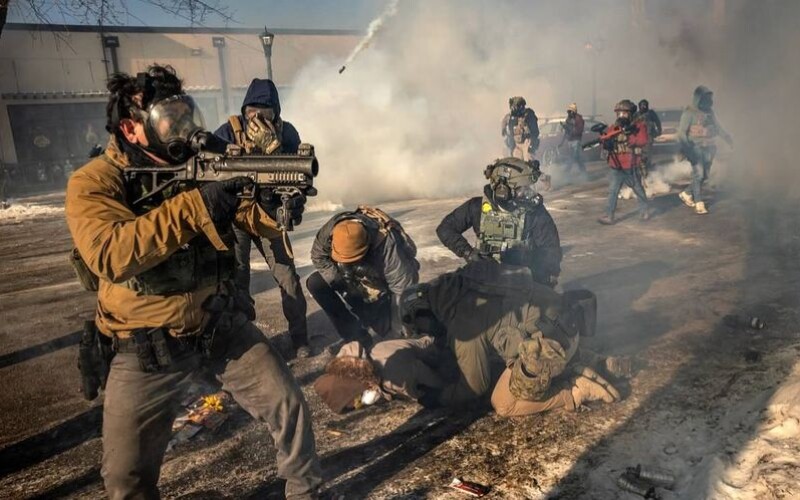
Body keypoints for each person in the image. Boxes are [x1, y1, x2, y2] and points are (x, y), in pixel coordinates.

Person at [64, 65, 321, 499]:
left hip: (219, 326)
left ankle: (305, 493)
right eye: (170, 118)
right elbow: (111, 254)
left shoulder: (199, 162)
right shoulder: (94, 182)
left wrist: (271, 206)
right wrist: (200, 205)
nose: (183, 126)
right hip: (146, 346)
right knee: (125, 478)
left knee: (289, 407)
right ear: (131, 127)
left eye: (186, 113)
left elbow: (250, 218)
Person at [399, 261, 623, 417]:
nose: (427, 333)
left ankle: (574, 391)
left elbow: (475, 386)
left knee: (504, 403)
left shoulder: (463, 326)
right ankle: (592, 361)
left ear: (424, 313)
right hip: (568, 324)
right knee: (505, 352)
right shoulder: (463, 283)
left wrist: (441, 397)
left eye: (421, 328)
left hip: (552, 346)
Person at [213, 79, 309, 357]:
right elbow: (209, 170)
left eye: (264, 114)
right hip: (237, 215)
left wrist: (274, 151)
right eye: (251, 113)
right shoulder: (228, 132)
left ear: (275, 115)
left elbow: (299, 175)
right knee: (237, 280)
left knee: (288, 279)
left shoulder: (287, 132)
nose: (256, 120)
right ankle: (244, 345)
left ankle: (300, 339)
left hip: (269, 216)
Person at [436, 157, 562, 287]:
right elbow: (445, 229)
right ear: (503, 190)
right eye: (522, 189)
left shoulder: (534, 212)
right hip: (484, 280)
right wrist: (468, 253)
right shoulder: (476, 207)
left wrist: (543, 280)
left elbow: (550, 249)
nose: (528, 193)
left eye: (528, 188)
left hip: (521, 283)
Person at [307, 206, 420, 348]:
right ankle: (355, 337)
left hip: (383, 282)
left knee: (390, 330)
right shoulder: (331, 231)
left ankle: (380, 320)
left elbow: (402, 289)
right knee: (316, 283)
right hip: (355, 276)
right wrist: (343, 285)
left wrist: (397, 331)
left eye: (353, 259)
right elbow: (318, 257)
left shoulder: (387, 245)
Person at [313, 336, 445, 413]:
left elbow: (433, 380)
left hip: (443, 355)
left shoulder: (393, 377)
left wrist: (438, 395)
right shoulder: (366, 363)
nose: (359, 404)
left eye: (357, 401)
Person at [677, 86, 733, 215]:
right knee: (699, 175)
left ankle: (686, 193)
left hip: (709, 148)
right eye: (705, 98)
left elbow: (717, 128)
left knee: (705, 175)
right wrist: (688, 149)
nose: (708, 101)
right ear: (698, 99)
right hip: (695, 148)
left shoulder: (709, 112)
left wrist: (728, 138)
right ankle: (699, 203)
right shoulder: (689, 113)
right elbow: (682, 133)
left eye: (709, 98)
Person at [597, 99, 650, 225]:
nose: (621, 116)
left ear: (630, 114)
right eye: (619, 113)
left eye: (624, 113)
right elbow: (605, 137)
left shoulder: (638, 126)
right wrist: (606, 143)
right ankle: (609, 215)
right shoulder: (614, 127)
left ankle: (644, 211)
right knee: (613, 191)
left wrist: (629, 136)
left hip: (631, 165)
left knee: (638, 189)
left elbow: (643, 140)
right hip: (616, 165)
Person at [501, 96, 540, 161]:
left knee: (529, 160)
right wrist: (503, 129)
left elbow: (535, 132)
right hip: (516, 144)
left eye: (515, 107)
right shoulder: (510, 117)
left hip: (526, 143)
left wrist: (531, 142)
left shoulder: (529, 115)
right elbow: (504, 121)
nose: (513, 109)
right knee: (516, 161)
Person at [635, 99, 662, 176]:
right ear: (639, 106)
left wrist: (659, 130)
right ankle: (641, 167)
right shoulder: (636, 115)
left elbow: (657, 121)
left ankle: (647, 166)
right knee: (639, 154)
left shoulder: (651, 113)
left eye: (645, 105)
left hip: (649, 136)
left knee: (648, 152)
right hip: (638, 137)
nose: (644, 107)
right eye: (642, 105)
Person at [561, 102, 586, 175]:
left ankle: (567, 171)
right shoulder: (569, 119)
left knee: (572, 157)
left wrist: (570, 130)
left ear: (573, 112)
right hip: (570, 141)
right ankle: (583, 172)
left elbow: (579, 131)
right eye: (568, 112)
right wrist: (562, 142)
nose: (569, 113)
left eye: (570, 111)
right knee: (577, 158)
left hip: (576, 141)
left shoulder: (578, 119)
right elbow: (566, 131)